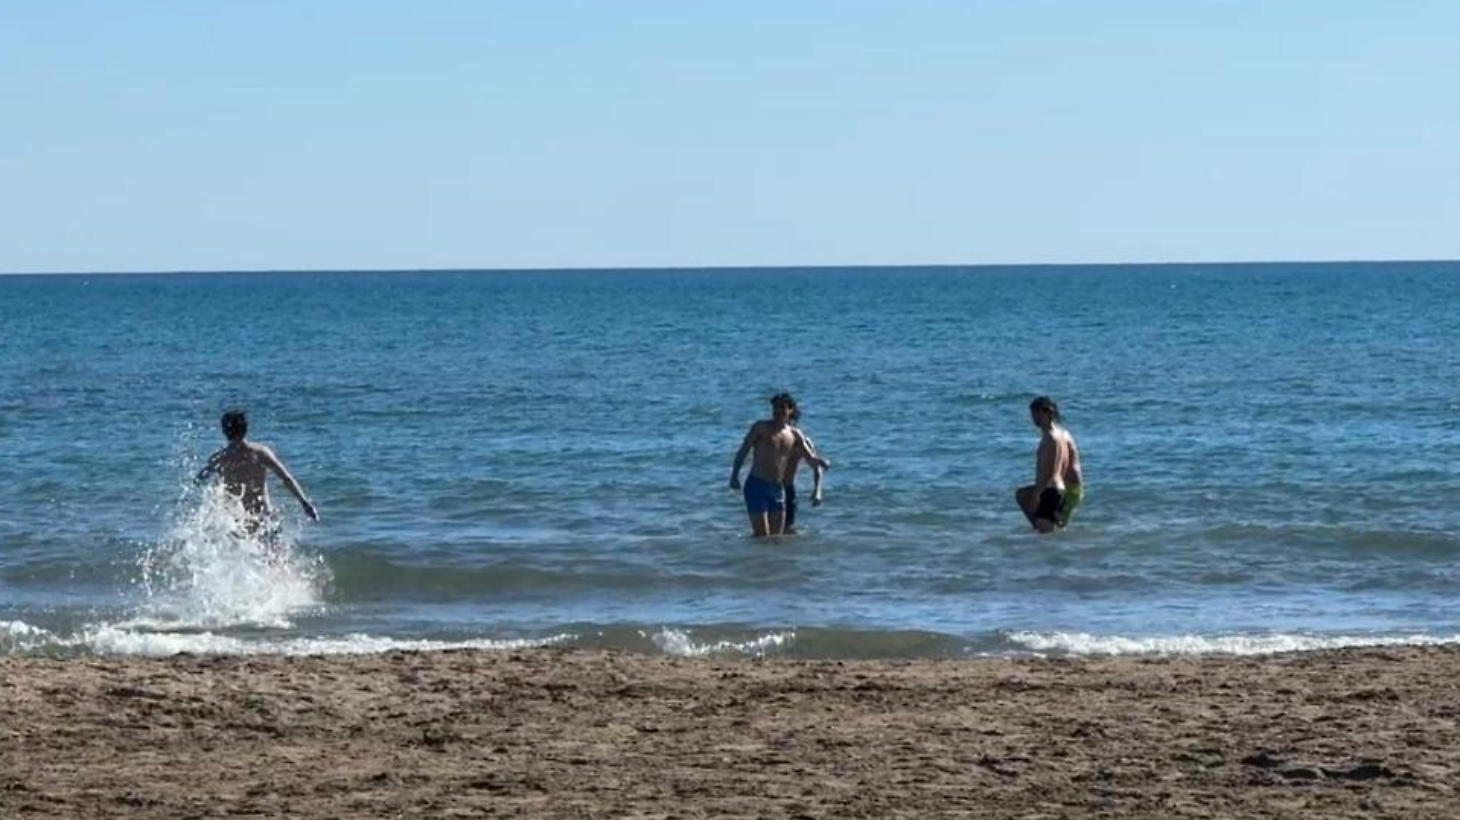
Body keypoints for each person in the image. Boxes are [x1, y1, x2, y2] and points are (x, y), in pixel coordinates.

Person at [196, 411, 319, 544]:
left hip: (237, 520)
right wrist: (304, 503)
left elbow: (199, 481)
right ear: (246, 429)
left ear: (224, 431)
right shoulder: (260, 453)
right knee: (274, 558)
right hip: (263, 517)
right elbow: (286, 478)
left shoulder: (220, 458)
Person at [729, 393, 830, 537]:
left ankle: (774, 560)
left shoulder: (795, 435)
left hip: (778, 489)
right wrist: (734, 475)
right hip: (757, 485)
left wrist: (819, 461)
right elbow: (742, 451)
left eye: (783, 407)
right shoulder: (760, 427)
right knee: (762, 536)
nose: (779, 411)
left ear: (790, 410)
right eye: (776, 407)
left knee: (778, 537)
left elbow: (810, 458)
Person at [1015, 396, 1083, 533]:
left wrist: (1037, 494)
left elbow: (1051, 470)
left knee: (1047, 538)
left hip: (1055, 490)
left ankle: (1045, 524)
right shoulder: (1063, 433)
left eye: (1036, 414)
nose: (1033, 418)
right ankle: (1044, 524)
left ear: (1046, 413)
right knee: (1022, 495)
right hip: (1070, 489)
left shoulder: (1051, 438)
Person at [782, 404, 826, 534]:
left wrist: (817, 491)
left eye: (790, 421)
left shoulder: (803, 442)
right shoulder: (774, 437)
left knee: (787, 528)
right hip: (770, 485)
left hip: (787, 489)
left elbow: (816, 466)